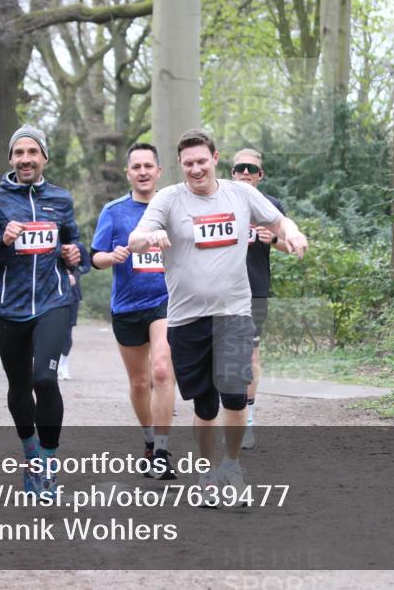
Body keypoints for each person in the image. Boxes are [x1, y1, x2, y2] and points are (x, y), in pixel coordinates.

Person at [128, 130, 308, 504]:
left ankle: (232, 466)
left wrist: (293, 234)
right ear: (180, 165)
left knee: (235, 396)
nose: (196, 169)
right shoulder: (168, 199)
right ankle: (207, 472)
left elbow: (278, 221)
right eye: (188, 163)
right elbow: (135, 239)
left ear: (215, 158)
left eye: (202, 161)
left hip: (234, 313)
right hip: (186, 318)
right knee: (205, 406)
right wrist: (151, 238)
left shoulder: (240, 193)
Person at [0, 125, 84, 496]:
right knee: (19, 387)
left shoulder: (61, 199)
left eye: (33, 152)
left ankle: (48, 465)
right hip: (10, 307)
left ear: (44, 157)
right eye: (19, 153)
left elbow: (74, 244)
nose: (26, 159)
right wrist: (0, 240)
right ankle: (31, 455)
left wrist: (75, 254)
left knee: (44, 380)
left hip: (53, 301)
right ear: (11, 159)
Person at [91, 143, 177, 480]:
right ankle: (149, 440)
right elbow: (95, 257)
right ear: (128, 173)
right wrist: (110, 257)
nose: (143, 172)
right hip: (127, 305)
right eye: (136, 167)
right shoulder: (113, 211)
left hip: (165, 301)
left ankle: (163, 452)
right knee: (140, 383)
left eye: (148, 166)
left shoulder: (172, 207)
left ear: (159, 171)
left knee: (161, 371)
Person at [231, 148, 289, 450]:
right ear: (232, 173)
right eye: (240, 168)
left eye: (251, 169)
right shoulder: (219, 202)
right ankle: (227, 413)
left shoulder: (271, 206)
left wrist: (274, 239)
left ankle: (248, 421)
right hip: (219, 290)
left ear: (260, 175)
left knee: (251, 356)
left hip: (255, 289)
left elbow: (291, 244)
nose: (245, 173)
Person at [57, 245, 90, 380]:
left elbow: (87, 265)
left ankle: (63, 364)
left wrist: (76, 273)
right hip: (51, 295)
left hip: (72, 295)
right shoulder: (51, 244)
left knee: (67, 332)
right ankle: (50, 364)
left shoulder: (78, 246)